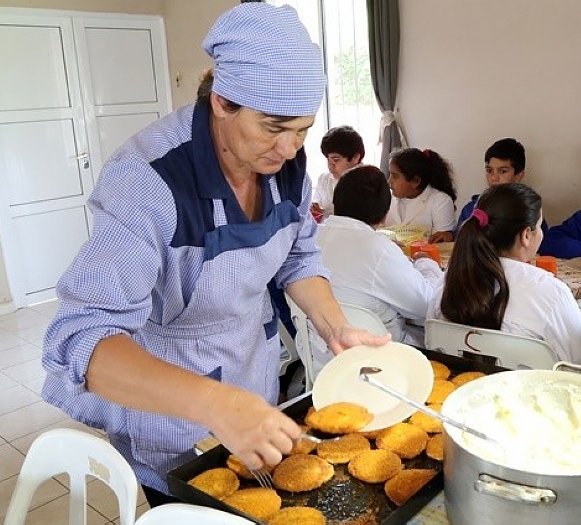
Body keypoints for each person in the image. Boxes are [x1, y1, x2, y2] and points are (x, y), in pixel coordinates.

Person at [40, 3, 389, 506]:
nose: (291, 149)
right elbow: (80, 338)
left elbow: (297, 256)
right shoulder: (149, 182)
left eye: (303, 129)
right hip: (176, 406)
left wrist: (335, 326)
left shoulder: (283, 163)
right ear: (222, 102)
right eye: (274, 127)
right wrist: (217, 405)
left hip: (252, 386)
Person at [429, 183, 581, 364]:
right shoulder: (551, 293)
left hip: (461, 387)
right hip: (527, 391)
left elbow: (431, 343)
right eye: (539, 226)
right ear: (526, 235)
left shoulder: (447, 280)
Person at [310, 165, 443, 372]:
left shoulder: (310, 238)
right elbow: (425, 305)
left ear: (336, 203)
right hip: (381, 364)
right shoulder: (377, 248)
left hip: (320, 361)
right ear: (383, 216)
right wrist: (427, 264)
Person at [456, 138, 530, 231]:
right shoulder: (471, 210)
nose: (494, 178)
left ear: (519, 175)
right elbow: (459, 243)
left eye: (503, 171)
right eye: (489, 170)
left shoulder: (530, 212)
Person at [385, 147, 457, 243]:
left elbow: (443, 243)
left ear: (416, 181)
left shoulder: (440, 201)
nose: (389, 181)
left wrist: (446, 236)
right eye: (390, 174)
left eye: (395, 176)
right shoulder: (387, 198)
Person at [310, 125, 365, 220]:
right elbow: (316, 207)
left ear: (355, 157)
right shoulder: (324, 179)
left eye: (336, 160)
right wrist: (314, 210)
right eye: (328, 159)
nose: (330, 166)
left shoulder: (370, 182)